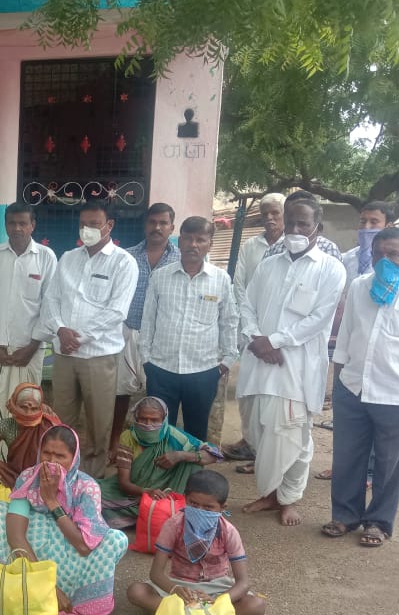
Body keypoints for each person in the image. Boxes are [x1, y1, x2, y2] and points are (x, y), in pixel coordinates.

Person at [323, 228, 399, 546]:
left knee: (389, 464)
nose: (384, 260)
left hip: (396, 394)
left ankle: (377, 522)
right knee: (347, 457)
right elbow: (345, 340)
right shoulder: (361, 286)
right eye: (378, 254)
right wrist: (338, 388)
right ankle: (345, 516)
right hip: (353, 388)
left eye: (393, 254)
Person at [237, 197, 346, 526]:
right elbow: (246, 303)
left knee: (294, 435)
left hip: (296, 370)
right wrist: (256, 337)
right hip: (259, 364)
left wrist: (274, 341)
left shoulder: (331, 268)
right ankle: (270, 494)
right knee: (259, 431)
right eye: (291, 222)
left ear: (318, 227)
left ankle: (289, 499)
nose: (296, 229)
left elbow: (318, 319)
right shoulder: (269, 264)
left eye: (303, 223)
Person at [0, 425, 128, 615]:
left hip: (70, 556)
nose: (51, 462)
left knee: (115, 539)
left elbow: (83, 546)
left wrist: (51, 501)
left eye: (60, 456)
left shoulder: (87, 487)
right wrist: (48, 585)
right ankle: (18, 586)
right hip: (31, 553)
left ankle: (76, 597)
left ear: (74, 458)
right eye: (46, 453)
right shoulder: (28, 477)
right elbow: (15, 536)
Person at [38, 201, 138, 477]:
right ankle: (59, 474)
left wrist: (79, 337)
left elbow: (117, 310)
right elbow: (51, 299)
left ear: (109, 226)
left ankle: (91, 478)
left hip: (98, 356)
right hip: (65, 355)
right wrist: (60, 330)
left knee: (98, 422)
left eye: (94, 224)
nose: (88, 229)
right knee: (62, 419)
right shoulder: (68, 258)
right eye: (84, 224)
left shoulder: (123, 262)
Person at [139, 216, 238, 442]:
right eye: (188, 238)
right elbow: (148, 319)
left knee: (196, 431)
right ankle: (160, 476)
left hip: (203, 370)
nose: (193, 245)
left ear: (210, 244)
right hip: (161, 368)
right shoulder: (161, 276)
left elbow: (229, 321)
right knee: (159, 430)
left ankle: (191, 476)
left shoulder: (221, 279)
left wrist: (227, 360)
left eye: (200, 240)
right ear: (179, 240)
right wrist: (146, 358)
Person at [126, 470, 266, 615]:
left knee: (256, 605)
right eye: (193, 504)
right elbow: (156, 574)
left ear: (222, 507)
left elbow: (243, 583)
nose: (199, 511)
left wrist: (218, 601)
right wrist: (175, 590)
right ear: (185, 499)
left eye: (208, 507)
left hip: (217, 587)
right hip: (180, 583)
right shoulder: (174, 525)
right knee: (137, 592)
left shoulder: (228, 531)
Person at [0, 202, 57, 418]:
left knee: (28, 404)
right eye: (12, 223)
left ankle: (25, 451)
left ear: (33, 225)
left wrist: (31, 347)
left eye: (23, 223)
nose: (17, 228)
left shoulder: (46, 256)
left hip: (31, 349)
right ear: (5, 225)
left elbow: (49, 306)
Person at [225, 192, 286, 463]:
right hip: (250, 331)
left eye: (275, 213)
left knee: (272, 393)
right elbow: (240, 285)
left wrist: (269, 334)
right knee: (247, 391)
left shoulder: (292, 245)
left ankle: (266, 452)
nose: (270, 218)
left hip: (277, 335)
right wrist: (249, 326)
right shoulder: (251, 245)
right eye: (265, 214)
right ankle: (251, 442)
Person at [113, 202, 180, 439]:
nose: (157, 227)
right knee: (120, 392)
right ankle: (115, 443)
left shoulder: (181, 260)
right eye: (152, 222)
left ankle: (153, 445)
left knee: (158, 396)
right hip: (128, 331)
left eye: (163, 223)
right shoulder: (127, 257)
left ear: (172, 227)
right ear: (145, 225)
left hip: (162, 337)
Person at [100, 396, 221, 508]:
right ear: (136, 418)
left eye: (154, 420)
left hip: (165, 495)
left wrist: (179, 455)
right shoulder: (128, 437)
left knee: (193, 460)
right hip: (134, 493)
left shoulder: (174, 435)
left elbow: (214, 455)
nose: (148, 425)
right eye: (143, 419)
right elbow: (124, 483)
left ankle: (173, 504)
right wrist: (146, 492)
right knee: (91, 496)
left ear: (164, 420)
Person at [0, 383, 61, 487]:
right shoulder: (5, 426)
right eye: (23, 407)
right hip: (13, 476)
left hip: (42, 477)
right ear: (13, 405)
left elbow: (64, 455)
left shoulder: (48, 425)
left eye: (34, 409)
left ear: (40, 409)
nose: (28, 413)